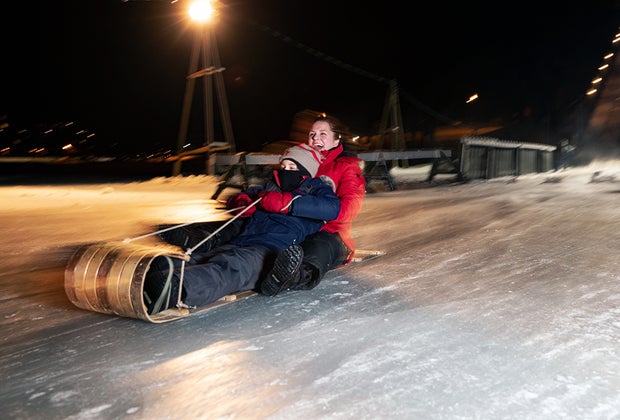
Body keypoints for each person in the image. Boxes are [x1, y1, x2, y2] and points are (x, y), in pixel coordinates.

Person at [143, 144, 340, 314]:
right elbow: (242, 197)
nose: (286, 170)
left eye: (292, 167)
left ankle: (177, 288)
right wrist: (241, 201)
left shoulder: (315, 190)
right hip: (242, 239)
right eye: (284, 165)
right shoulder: (271, 187)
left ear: (306, 171)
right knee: (207, 257)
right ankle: (156, 271)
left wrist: (288, 203)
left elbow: (331, 208)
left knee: (233, 267)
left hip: (270, 249)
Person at [259, 114, 366, 296]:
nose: (316, 138)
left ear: (336, 139)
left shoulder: (346, 167)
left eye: (323, 134)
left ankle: (297, 276)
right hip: (296, 228)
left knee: (319, 245)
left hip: (331, 233)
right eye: (312, 134)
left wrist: (301, 206)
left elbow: (348, 208)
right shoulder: (300, 163)